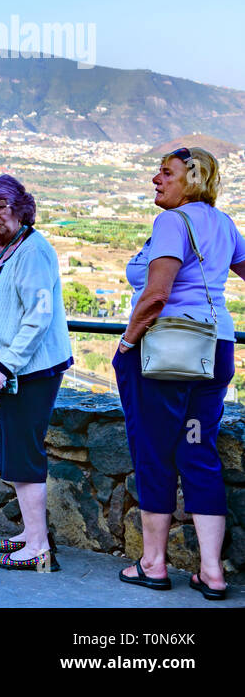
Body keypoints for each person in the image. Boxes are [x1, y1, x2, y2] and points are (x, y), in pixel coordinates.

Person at [116, 147, 243, 601]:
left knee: (154, 451)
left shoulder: (172, 222)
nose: (155, 179)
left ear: (191, 180)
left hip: (166, 355)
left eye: (165, 173)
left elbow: (155, 295)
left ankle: (153, 563)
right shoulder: (224, 224)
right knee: (197, 449)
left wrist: (127, 342)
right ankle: (211, 572)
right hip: (216, 349)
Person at [0, 176, 73, 571]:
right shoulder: (11, 247)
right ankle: (31, 536)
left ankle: (40, 549)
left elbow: (39, 316)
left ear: (20, 206)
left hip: (30, 370)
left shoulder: (33, 250)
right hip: (16, 368)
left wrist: (4, 364)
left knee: (24, 455)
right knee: (16, 453)